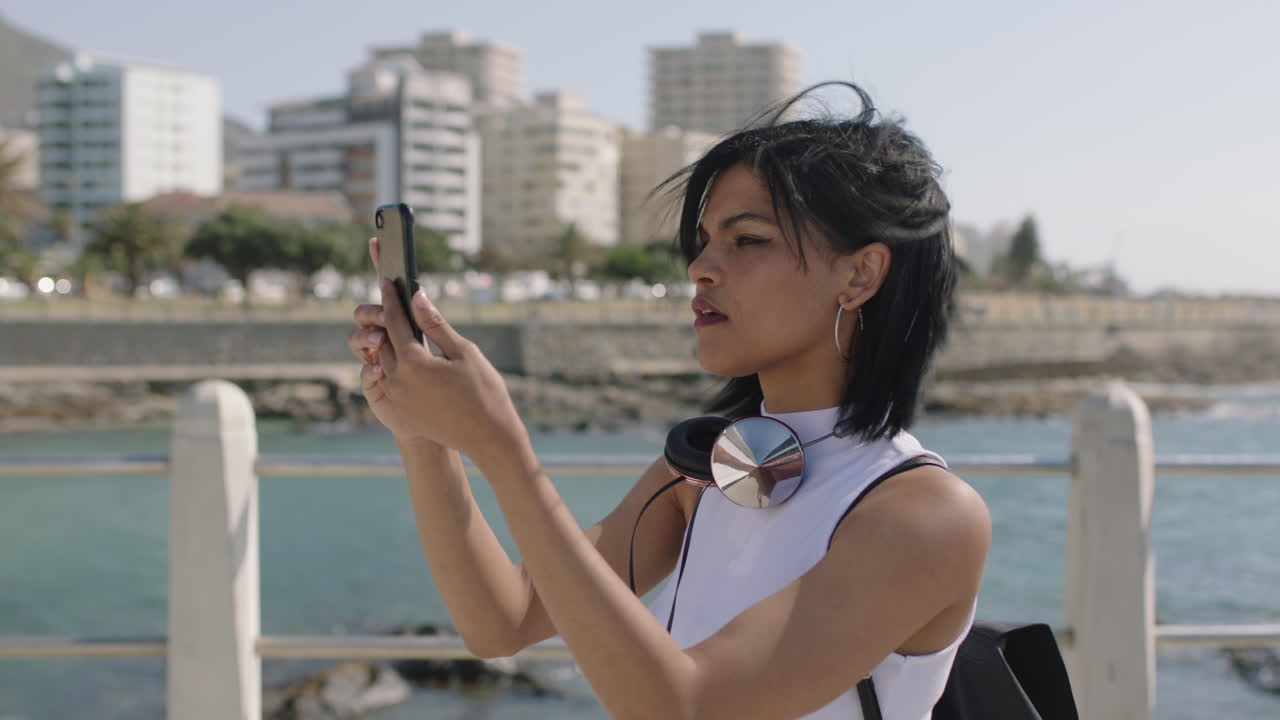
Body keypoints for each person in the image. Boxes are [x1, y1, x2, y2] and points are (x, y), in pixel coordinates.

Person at [347, 81, 991, 720]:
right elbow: (502, 620)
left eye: (748, 239)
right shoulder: (708, 466)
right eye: (705, 240)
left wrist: (499, 444)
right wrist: (423, 433)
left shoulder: (927, 517)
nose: (701, 267)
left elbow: (686, 705)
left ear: (860, 274)